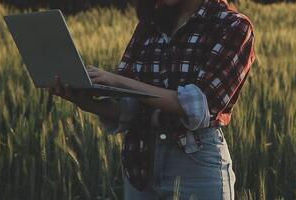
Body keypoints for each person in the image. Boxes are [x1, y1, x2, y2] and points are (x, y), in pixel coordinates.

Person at [48, 0, 256, 199]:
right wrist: (85, 102)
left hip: (195, 164)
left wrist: (119, 82)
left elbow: (196, 106)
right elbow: (130, 110)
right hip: (140, 164)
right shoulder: (150, 24)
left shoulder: (233, 26)